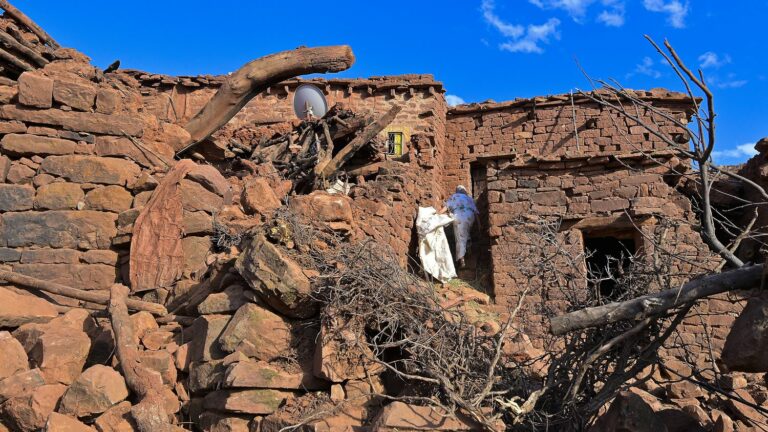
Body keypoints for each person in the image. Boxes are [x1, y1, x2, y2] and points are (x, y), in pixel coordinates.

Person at [439, 185, 479, 268]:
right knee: (465, 233)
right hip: (470, 218)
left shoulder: (454, 196)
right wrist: (479, 224)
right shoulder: (469, 198)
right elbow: (476, 213)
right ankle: (468, 246)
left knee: (460, 238)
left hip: (460, 217)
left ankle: (462, 260)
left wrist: (437, 214)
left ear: (457, 191)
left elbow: (446, 207)